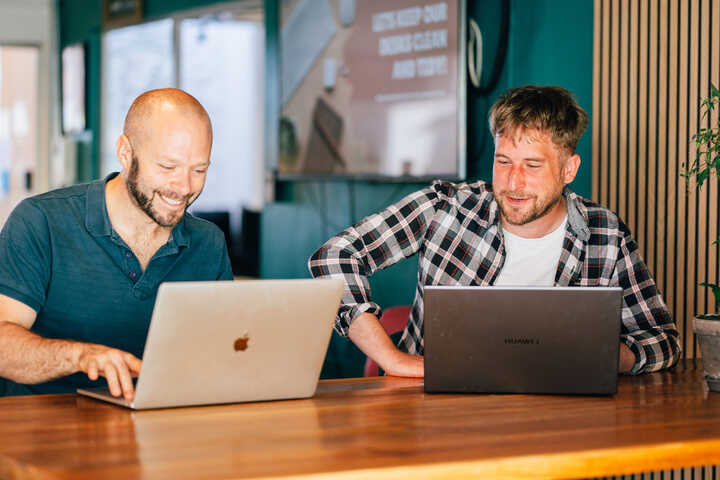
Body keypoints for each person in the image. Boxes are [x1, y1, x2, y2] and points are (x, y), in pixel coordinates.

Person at [309, 85, 681, 377]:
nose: (513, 182)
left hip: (553, 424)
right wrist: (391, 358)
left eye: (532, 166)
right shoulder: (446, 207)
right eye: (503, 162)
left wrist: (595, 356)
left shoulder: (605, 232)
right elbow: (335, 256)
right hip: (432, 418)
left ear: (569, 170)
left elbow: (662, 342)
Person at [0, 88, 232, 399]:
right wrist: (80, 357)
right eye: (167, 167)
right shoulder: (40, 221)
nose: (184, 187)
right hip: (46, 433)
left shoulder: (209, 242)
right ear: (126, 153)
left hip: (163, 431)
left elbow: (226, 350)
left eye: (199, 170)